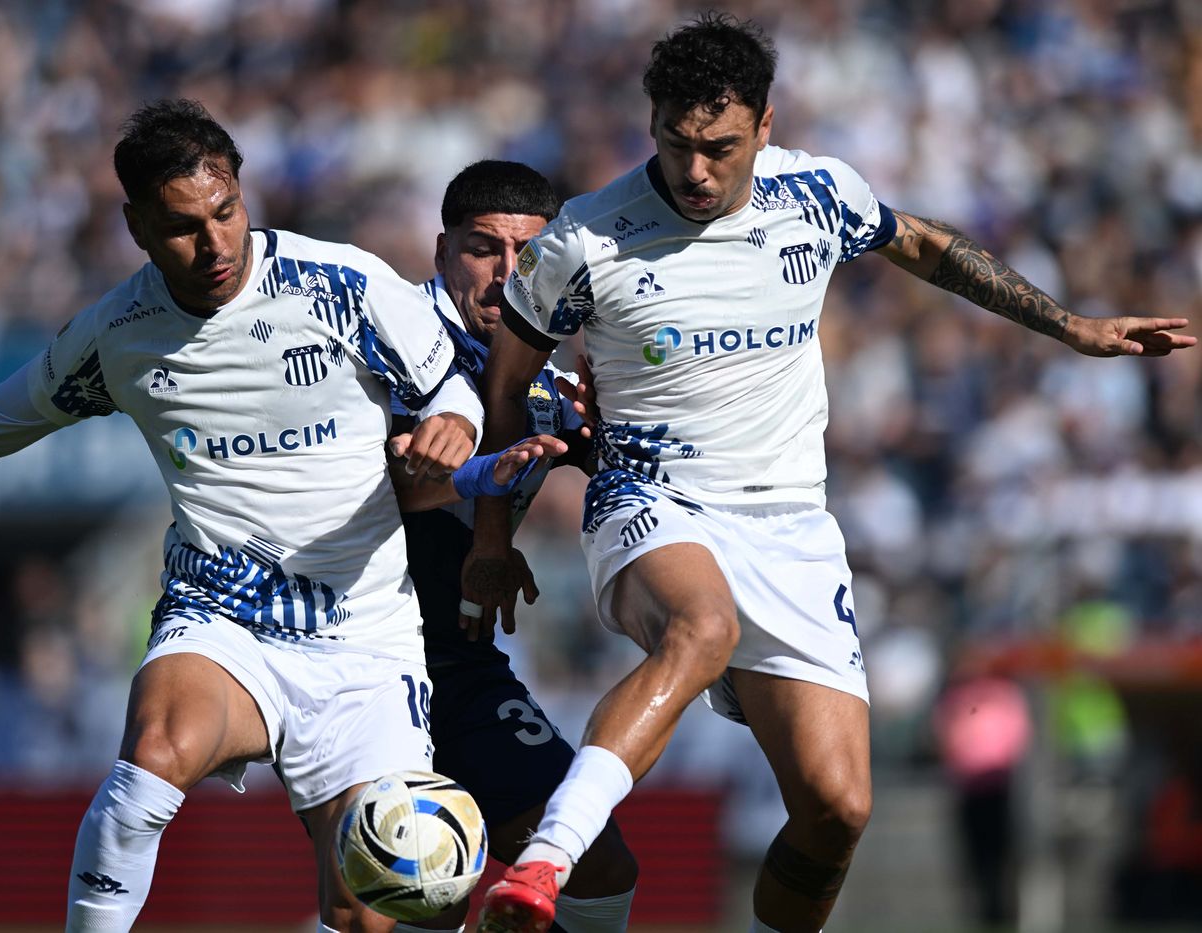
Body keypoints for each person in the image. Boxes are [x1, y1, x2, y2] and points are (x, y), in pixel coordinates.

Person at [465, 15, 1196, 933]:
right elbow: (504, 398)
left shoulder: (817, 194)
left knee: (839, 806)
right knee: (700, 626)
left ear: (765, 126)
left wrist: (1073, 327)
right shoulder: (584, 240)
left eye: (720, 148)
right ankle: (540, 869)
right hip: (652, 498)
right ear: (650, 124)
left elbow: (927, 246)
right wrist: (491, 538)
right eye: (676, 144)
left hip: (792, 526)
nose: (695, 171)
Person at [0, 99, 547, 933]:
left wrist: (457, 422)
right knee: (152, 759)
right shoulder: (117, 333)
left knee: (371, 911)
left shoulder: (341, 283)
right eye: (185, 226)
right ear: (138, 228)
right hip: (222, 616)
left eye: (226, 211)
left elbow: (447, 380)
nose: (216, 243)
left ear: (241, 193)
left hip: (364, 637)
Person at [389, 160, 639, 933]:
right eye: (481, 249)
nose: (503, 276)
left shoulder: (546, 390)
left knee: (595, 863)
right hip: (360, 662)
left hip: (460, 665)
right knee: (420, 897)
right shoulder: (387, 345)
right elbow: (396, 481)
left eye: (526, 255)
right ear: (440, 253)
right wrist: (481, 475)